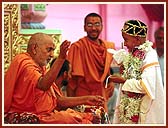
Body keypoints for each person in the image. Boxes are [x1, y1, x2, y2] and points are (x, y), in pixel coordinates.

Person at [4, 32, 105, 124]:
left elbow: (59, 100)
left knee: (82, 119)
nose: (52, 55)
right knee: (68, 118)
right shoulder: (25, 63)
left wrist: (87, 99)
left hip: (47, 114)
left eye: (53, 50)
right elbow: (43, 85)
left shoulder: (41, 68)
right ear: (34, 48)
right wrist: (61, 58)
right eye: (49, 50)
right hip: (33, 114)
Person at [108, 20, 164, 124]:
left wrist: (124, 81)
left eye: (126, 40)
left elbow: (146, 86)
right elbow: (132, 76)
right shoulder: (134, 53)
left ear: (137, 39)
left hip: (143, 110)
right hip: (128, 107)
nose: (124, 43)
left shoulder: (149, 55)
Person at [66, 12, 115, 112]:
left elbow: (106, 72)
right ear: (84, 28)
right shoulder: (77, 47)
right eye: (89, 25)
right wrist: (70, 104)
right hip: (83, 94)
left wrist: (111, 81)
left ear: (102, 26)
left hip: (100, 94)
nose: (93, 28)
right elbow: (71, 78)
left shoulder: (108, 47)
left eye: (97, 24)